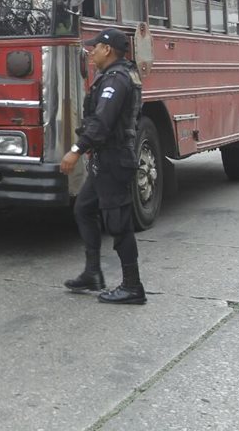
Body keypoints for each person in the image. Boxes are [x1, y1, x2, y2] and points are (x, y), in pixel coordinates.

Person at [59, 27, 146, 305]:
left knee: (118, 224)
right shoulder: (113, 76)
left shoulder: (116, 80)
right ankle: (93, 273)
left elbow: (102, 123)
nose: (91, 52)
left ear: (107, 49)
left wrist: (75, 150)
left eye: (94, 48)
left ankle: (133, 287)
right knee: (84, 209)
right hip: (105, 160)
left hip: (114, 159)